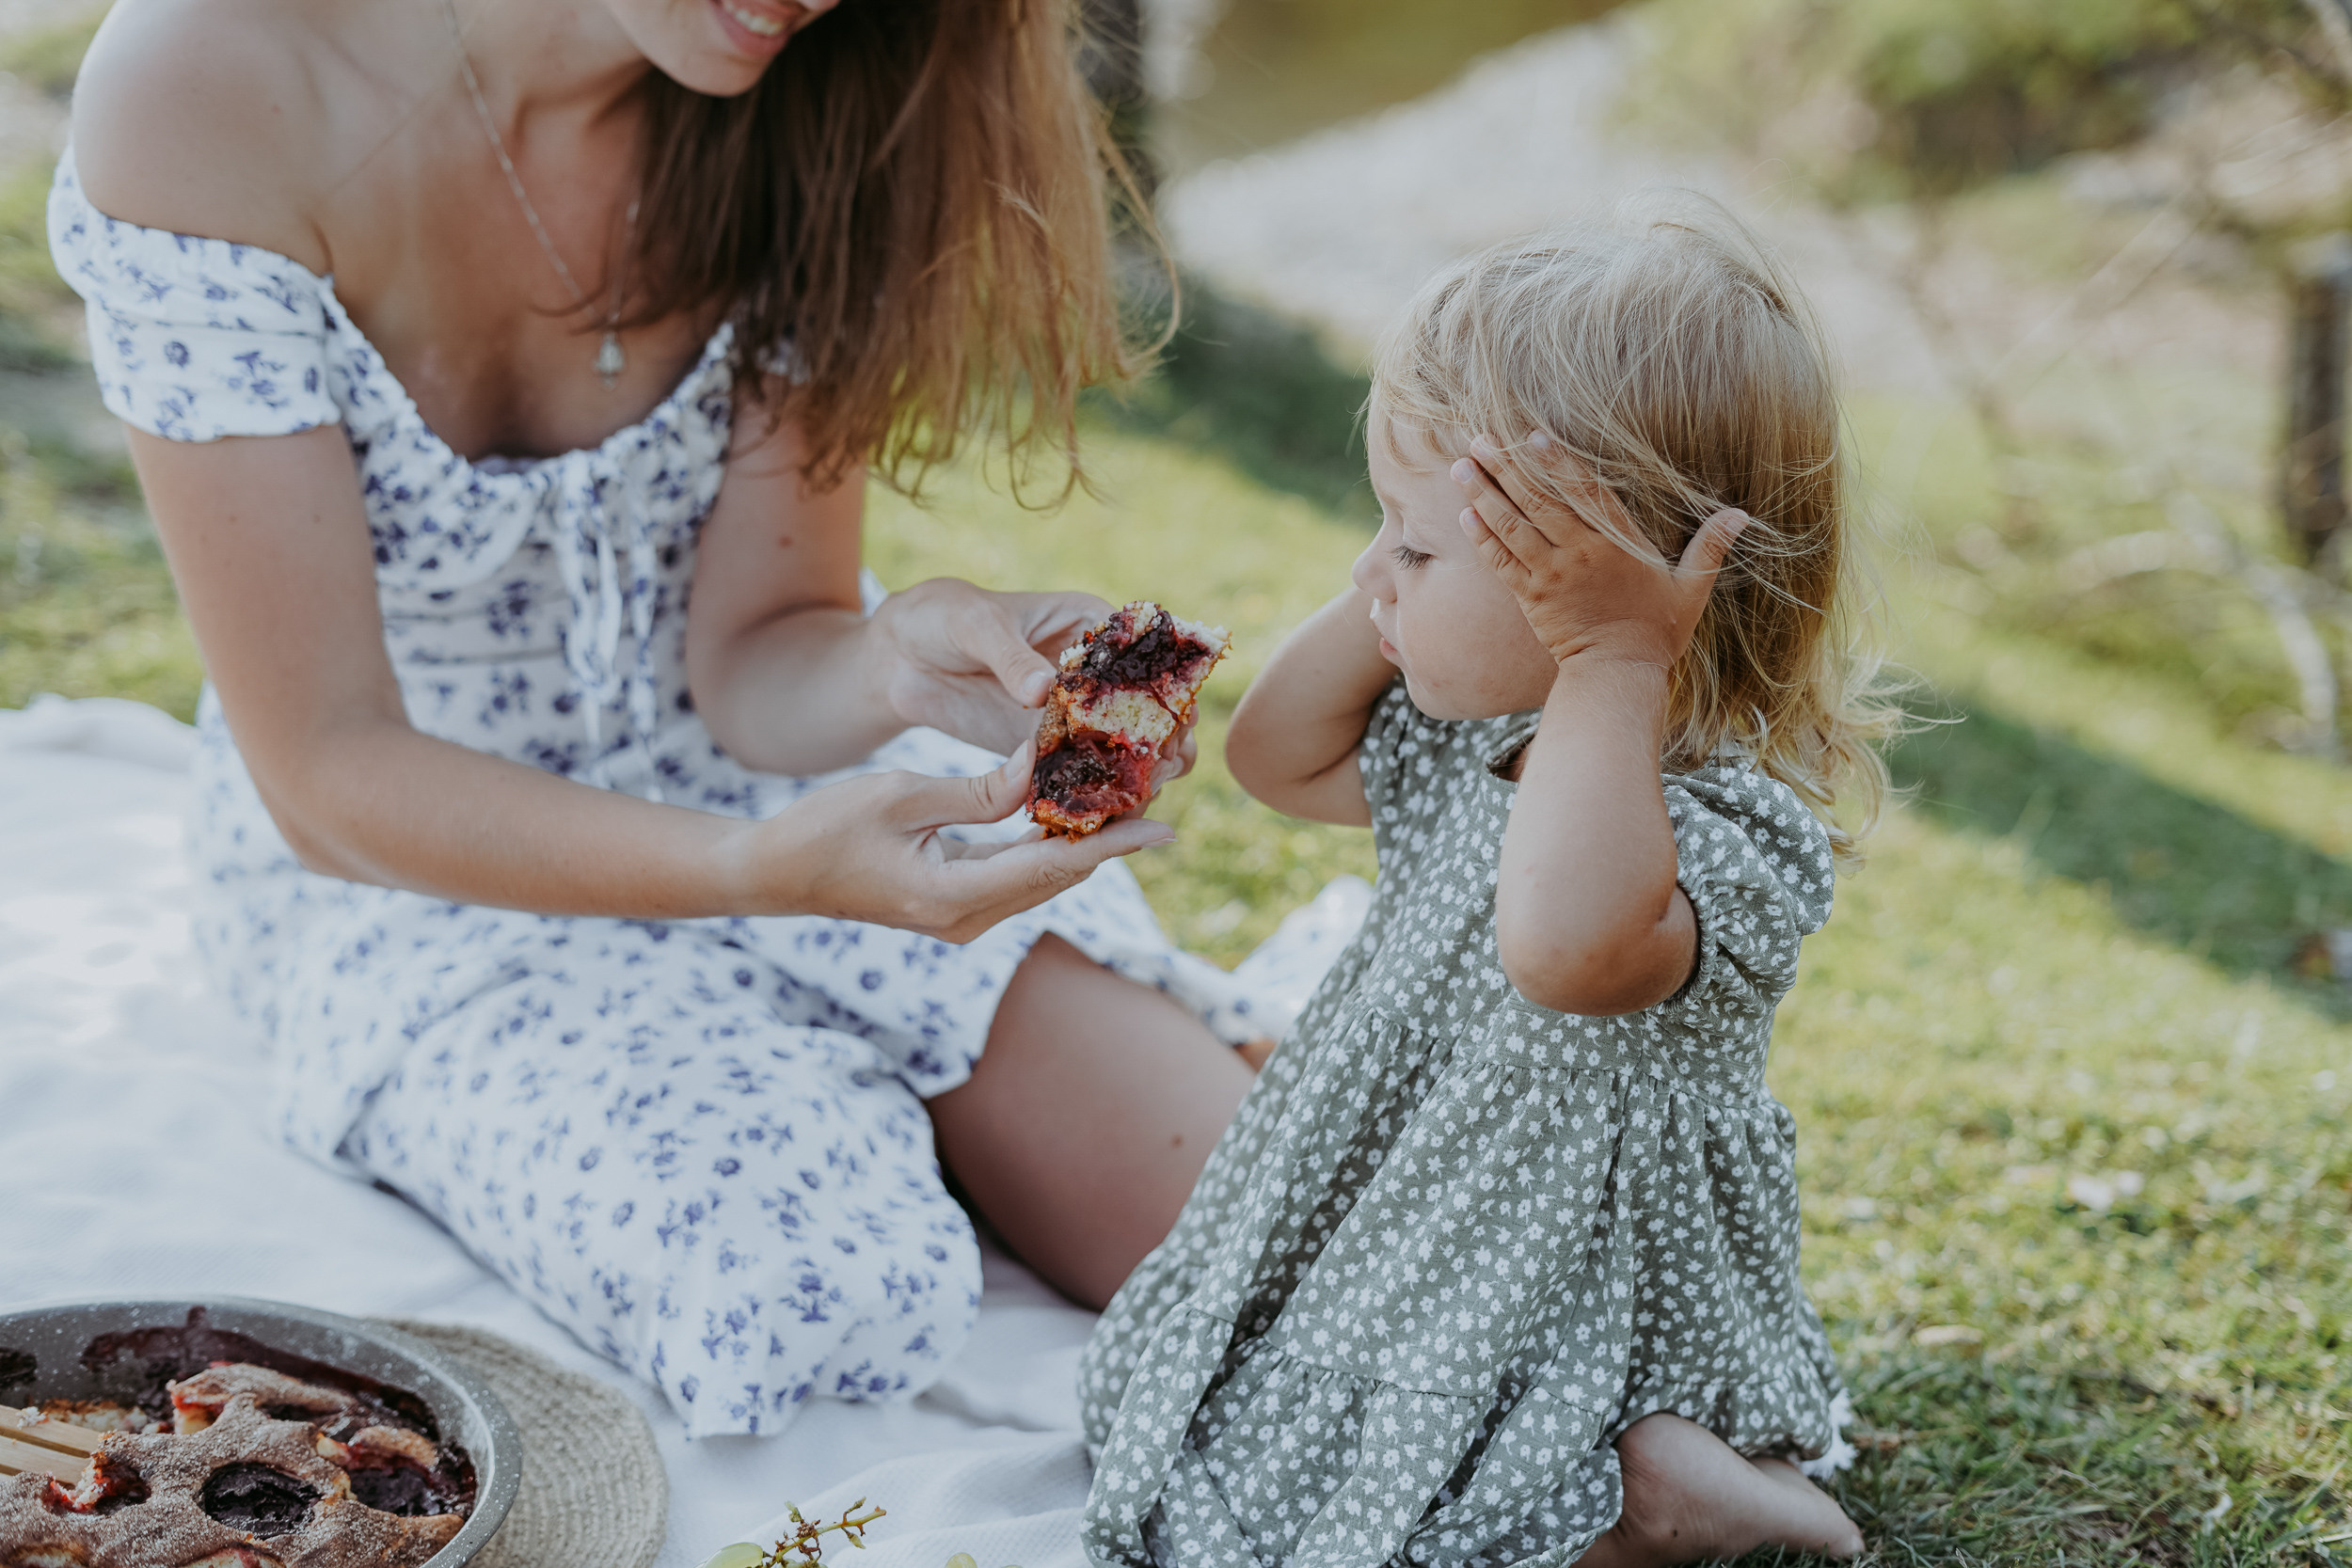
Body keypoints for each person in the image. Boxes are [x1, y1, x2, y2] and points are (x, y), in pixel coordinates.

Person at [50, 0, 1263, 1438]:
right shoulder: (206, 83)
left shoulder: (825, 106)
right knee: (801, 1290)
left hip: (768, 786)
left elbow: (756, 656)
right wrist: (760, 877)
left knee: (1247, 1217)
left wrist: (890, 665)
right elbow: (327, 773)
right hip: (414, 863)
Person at [1077, 198, 1897, 1566]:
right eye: (1380, 527)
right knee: (1214, 1438)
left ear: (1599, 595)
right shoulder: (1471, 744)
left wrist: (1617, 665)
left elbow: (1562, 952)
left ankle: (1676, 1498)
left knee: (1448, 1525)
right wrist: (1398, 588)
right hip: (1409, 1240)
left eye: (1411, 545)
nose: (1368, 572)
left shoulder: (1719, 828)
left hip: (1560, 1300)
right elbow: (1276, 758)